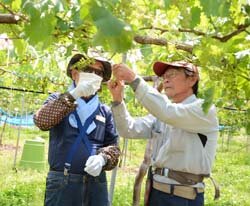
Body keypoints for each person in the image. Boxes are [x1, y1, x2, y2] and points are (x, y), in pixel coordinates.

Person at [108, 61, 219, 206]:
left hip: (182, 197)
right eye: (164, 76)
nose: (166, 80)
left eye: (172, 74)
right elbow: (129, 129)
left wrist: (133, 79)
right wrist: (118, 101)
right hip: (157, 194)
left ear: (192, 80)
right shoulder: (164, 113)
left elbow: (168, 112)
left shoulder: (204, 110)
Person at [34, 53, 120, 206]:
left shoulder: (104, 111)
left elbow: (113, 147)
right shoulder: (57, 101)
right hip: (63, 182)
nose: (93, 75)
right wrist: (74, 95)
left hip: (96, 183)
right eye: (87, 69)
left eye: (98, 72)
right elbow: (42, 121)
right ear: (74, 74)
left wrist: (103, 158)